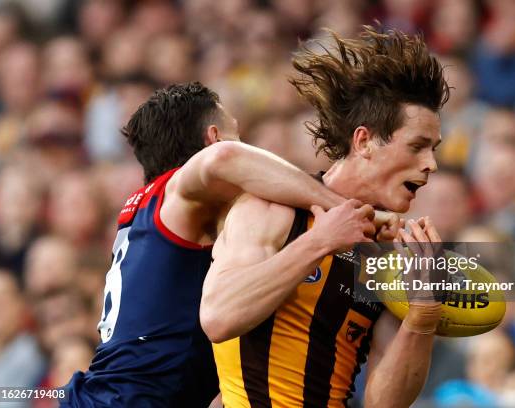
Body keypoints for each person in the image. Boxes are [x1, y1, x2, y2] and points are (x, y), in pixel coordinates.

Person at [62, 82, 378, 407]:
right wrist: (347, 211)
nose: (249, 156)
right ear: (214, 138)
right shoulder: (179, 194)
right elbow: (224, 158)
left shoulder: (152, 212)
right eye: (239, 136)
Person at [201, 26, 450, 407]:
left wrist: (422, 315)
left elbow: (383, 403)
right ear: (364, 141)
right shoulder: (273, 209)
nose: (430, 164)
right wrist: (319, 242)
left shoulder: (385, 253)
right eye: (417, 146)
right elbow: (219, 318)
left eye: (433, 149)